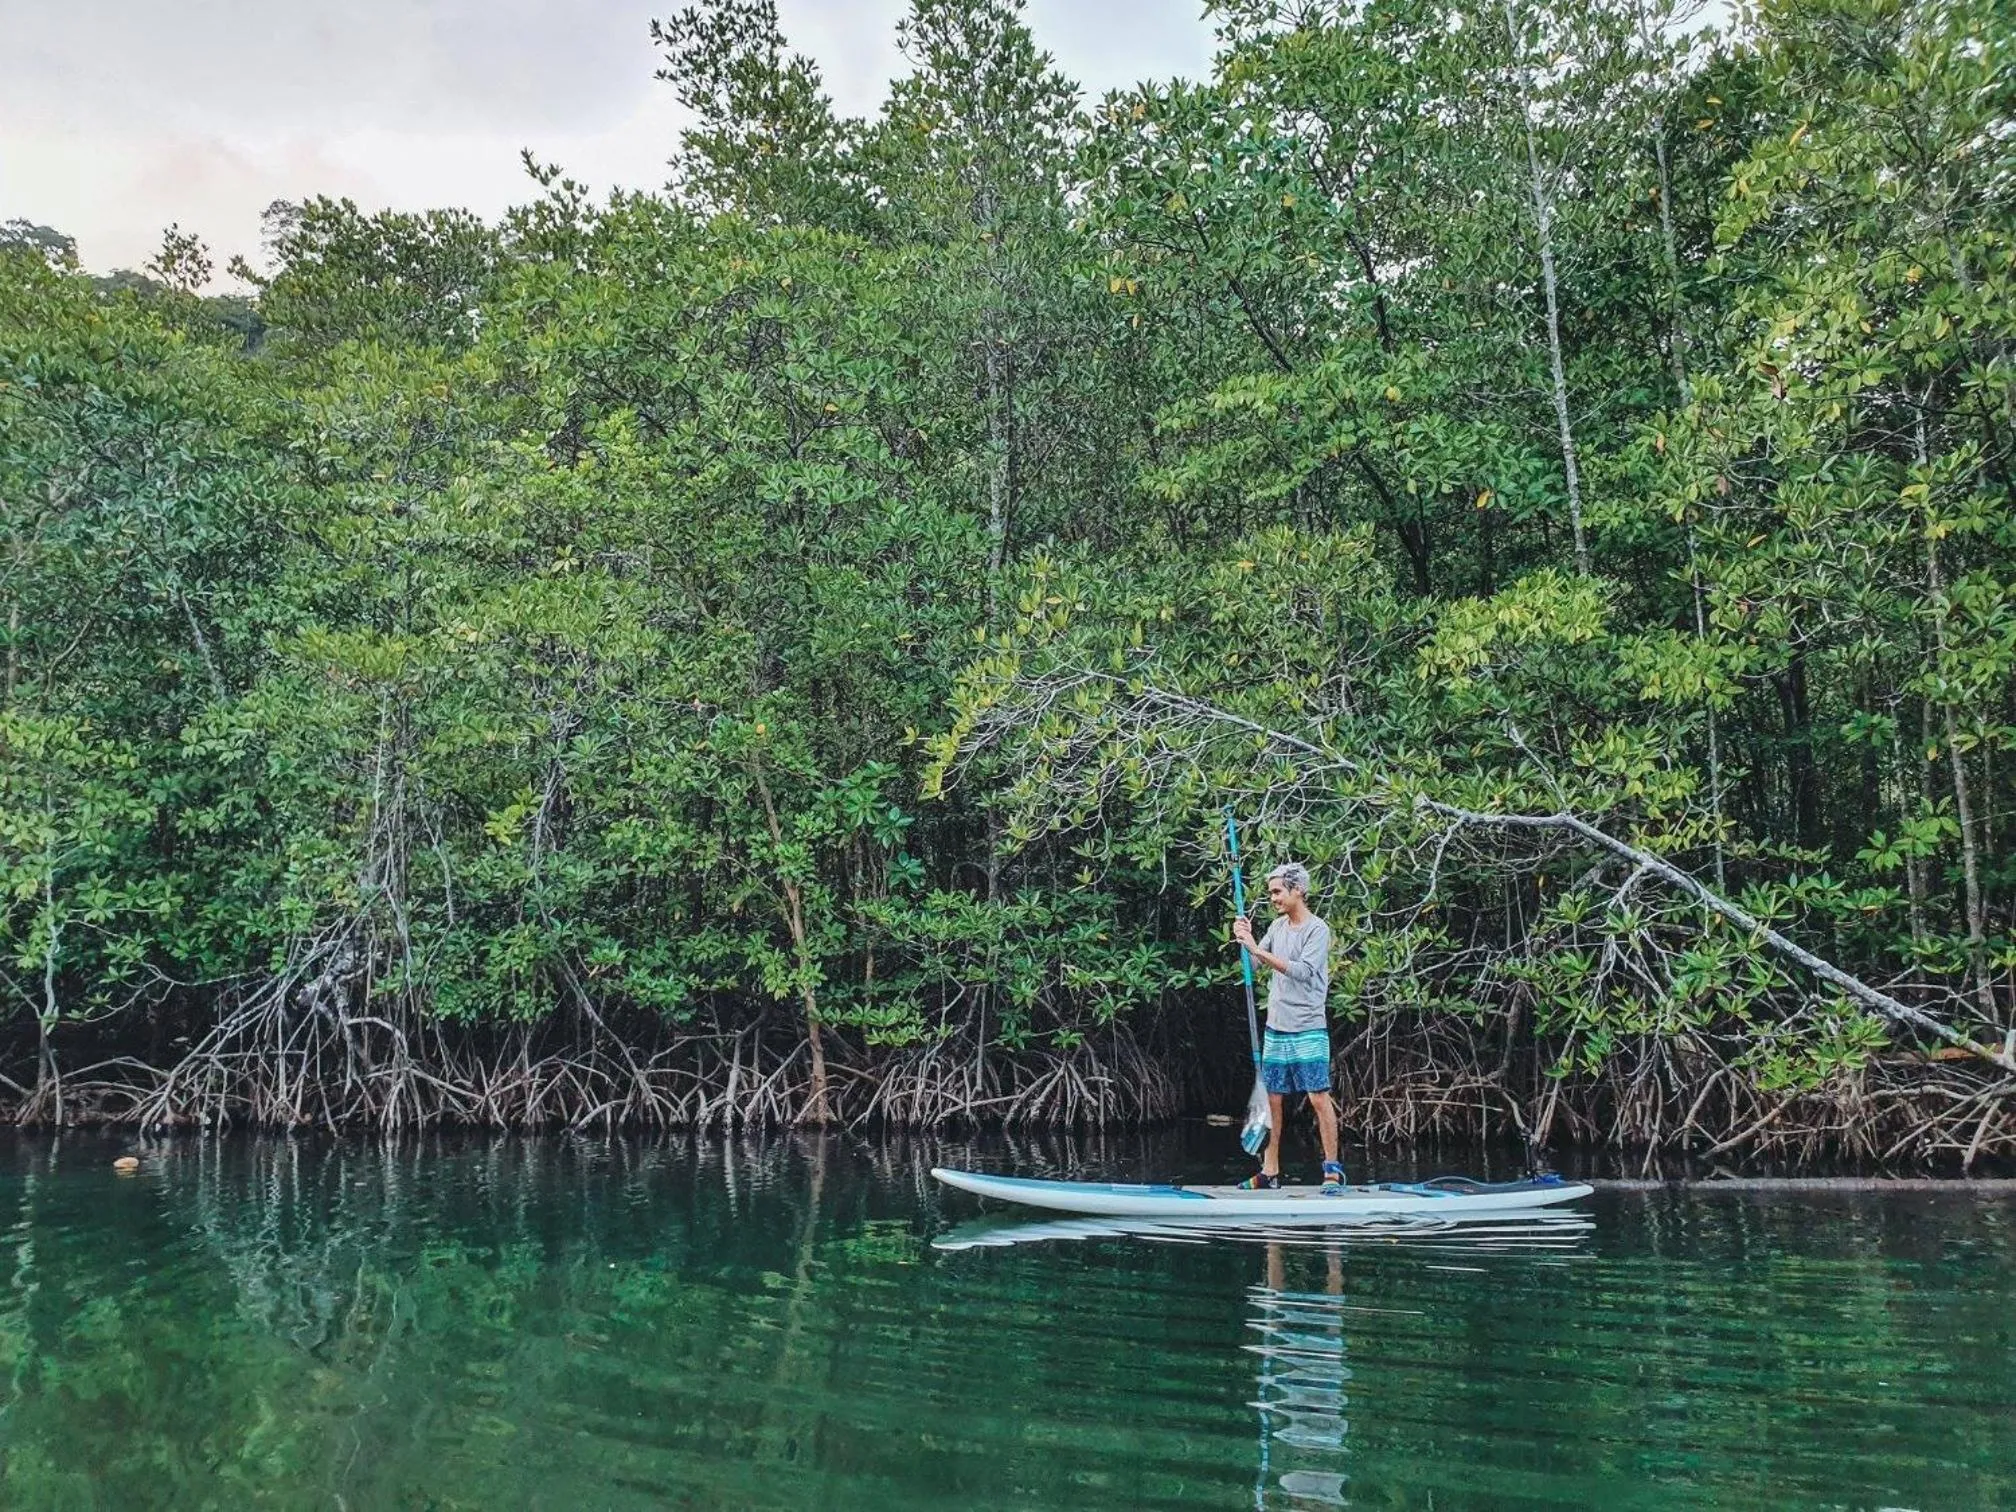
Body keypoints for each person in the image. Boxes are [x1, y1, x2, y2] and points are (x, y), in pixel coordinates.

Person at [1231, 862, 1343, 1193]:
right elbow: (1252, 964)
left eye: (1278, 892)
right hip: (1276, 1029)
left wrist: (1256, 950)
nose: (1274, 898)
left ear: (1297, 891)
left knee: (1318, 1097)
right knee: (1274, 1100)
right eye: (1271, 893)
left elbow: (1302, 971)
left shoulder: (1317, 930)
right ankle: (1270, 1171)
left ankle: (1332, 1172)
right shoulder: (1277, 928)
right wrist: (1244, 939)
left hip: (1308, 1026)